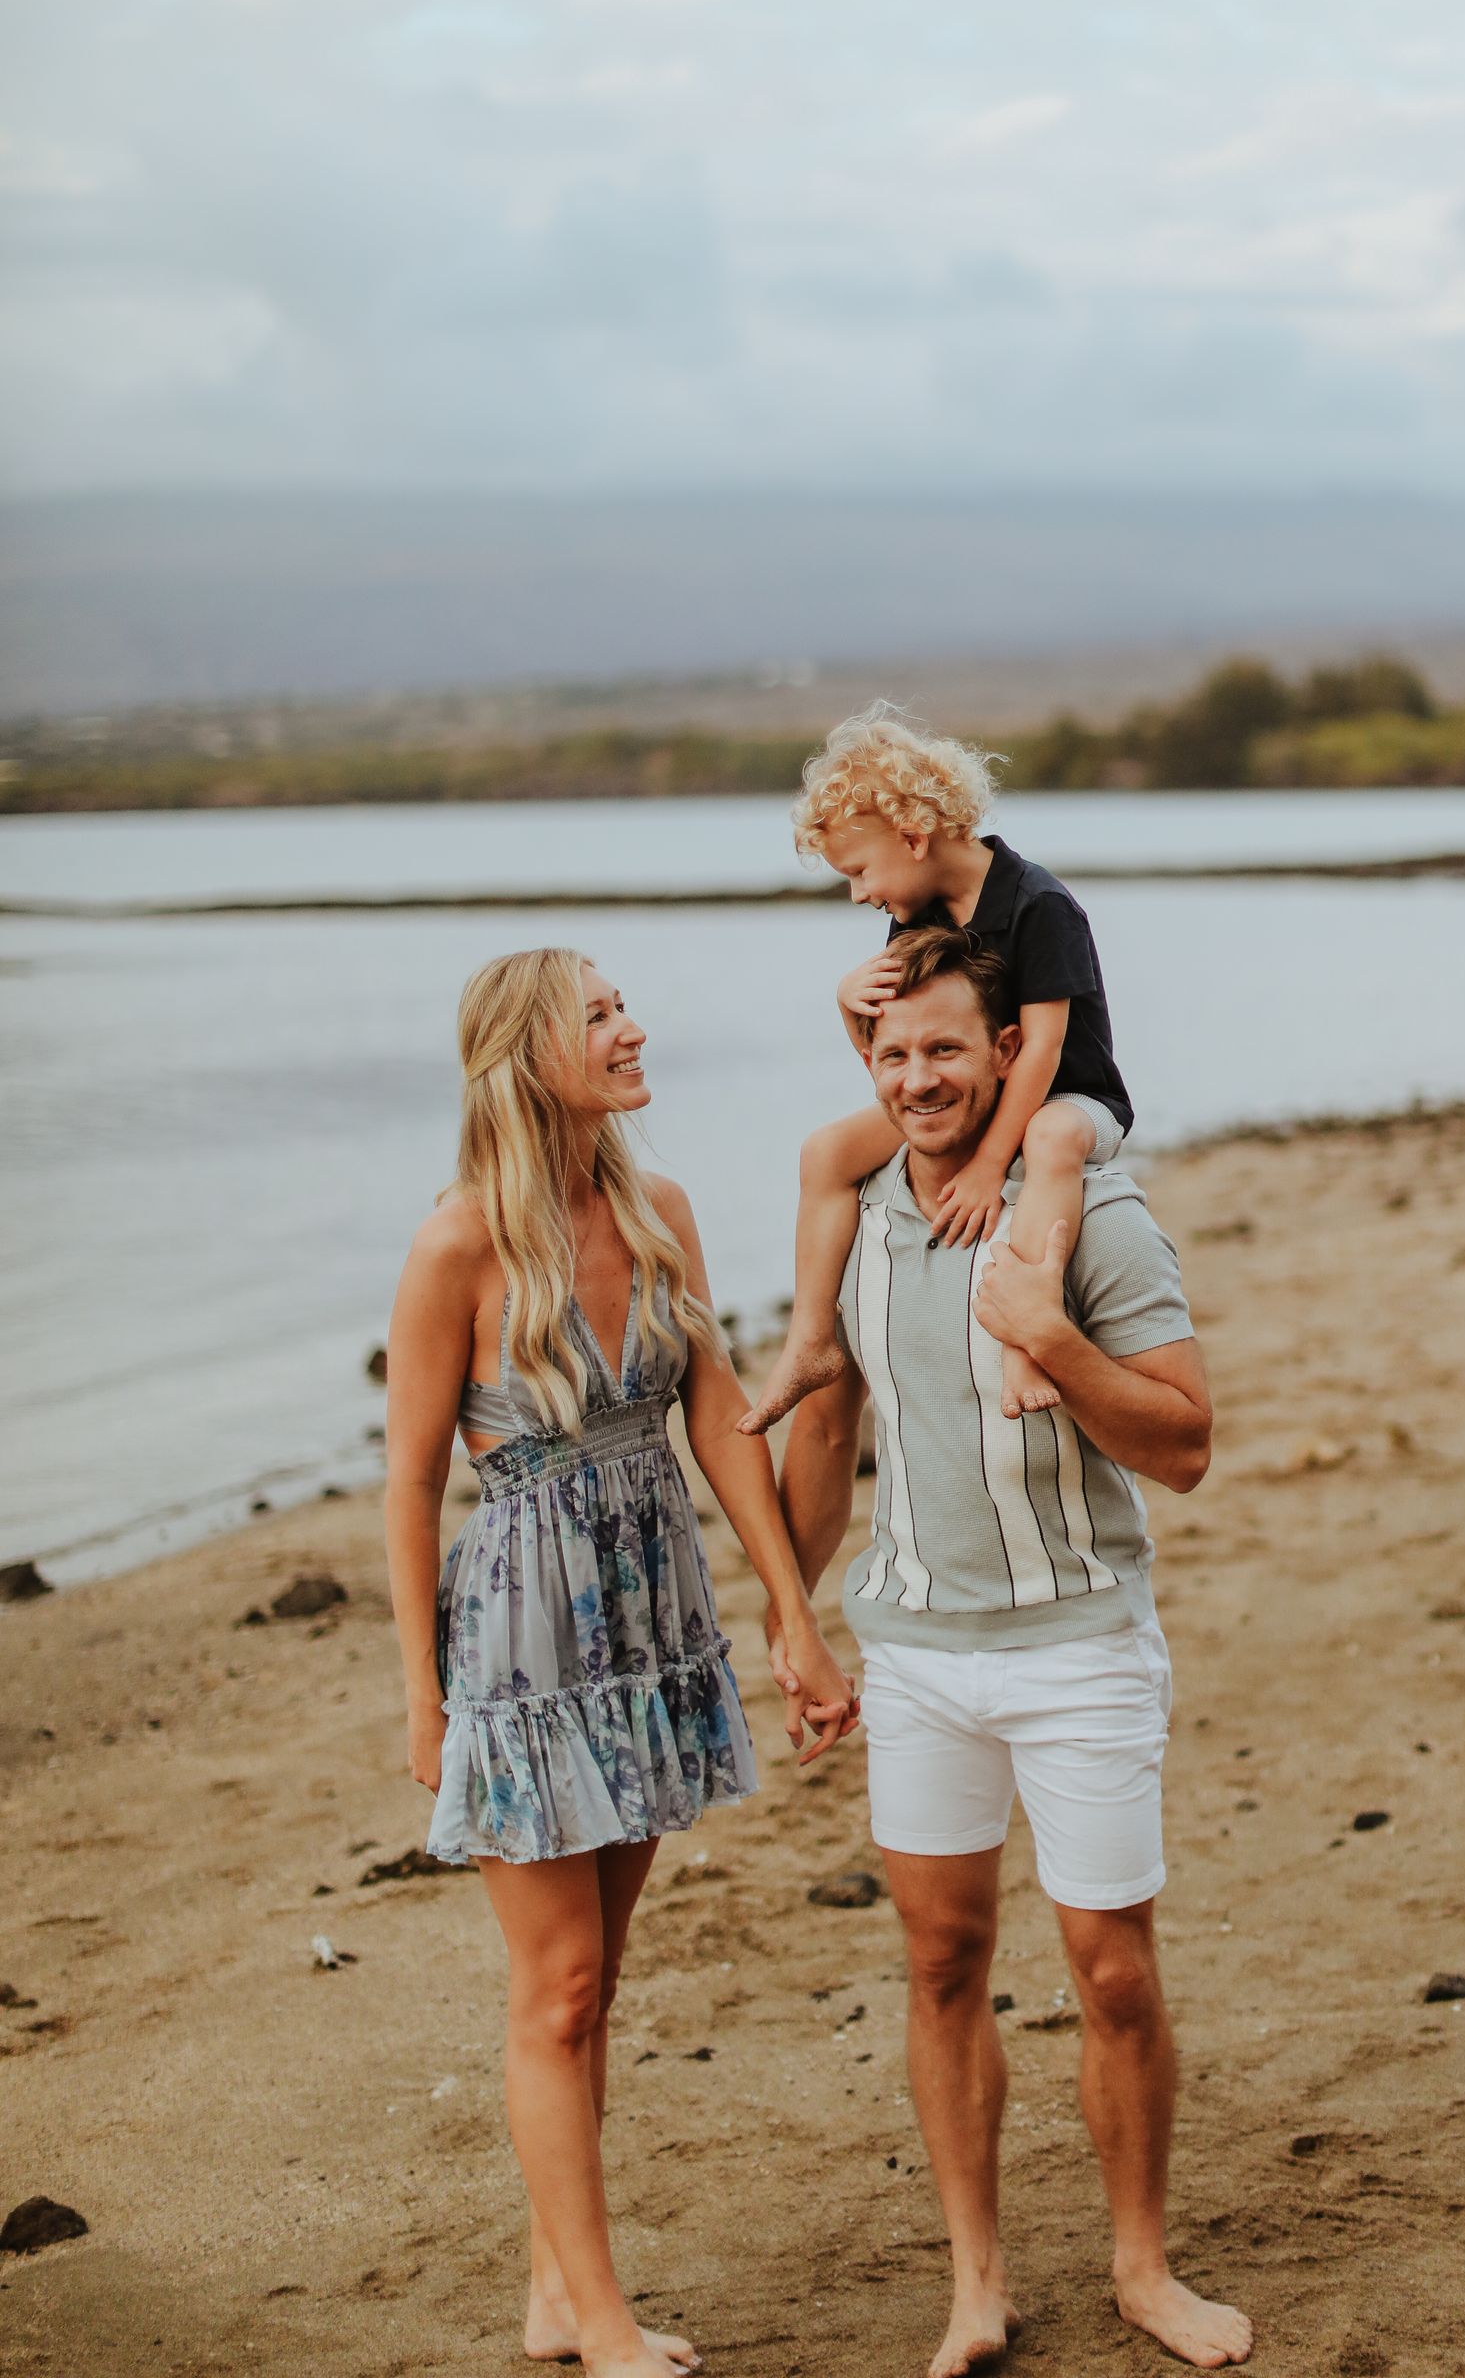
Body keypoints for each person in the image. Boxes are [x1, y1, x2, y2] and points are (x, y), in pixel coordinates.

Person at [755, 922, 1253, 2378]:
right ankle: (977, 2283)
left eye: (948, 1052)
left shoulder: (1094, 1218)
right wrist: (792, 1614)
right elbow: (832, 1423)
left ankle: (1144, 2268)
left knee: (1110, 1972)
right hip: (914, 1655)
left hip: (1080, 1644)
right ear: (871, 1061)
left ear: (1004, 1058)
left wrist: (1052, 1334)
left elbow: (1187, 1446)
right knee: (942, 1960)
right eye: (895, 1054)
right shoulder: (855, 1210)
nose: (921, 1080)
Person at [384, 947, 857, 2378]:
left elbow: (717, 1420)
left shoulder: (661, 1215)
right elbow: (408, 1484)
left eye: (621, 1005)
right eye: (599, 1014)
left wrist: (790, 1612)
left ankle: (551, 2289)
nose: (632, 1027)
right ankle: (597, 2326)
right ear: (529, 1058)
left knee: (599, 1978)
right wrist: (423, 1691)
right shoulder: (458, 1244)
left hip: (652, 1627)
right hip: (524, 1645)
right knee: (562, 1989)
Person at [744, 704, 1133, 1431]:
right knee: (826, 1152)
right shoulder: (915, 918)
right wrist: (842, 1001)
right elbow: (893, 1058)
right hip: (973, 1098)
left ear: (915, 836)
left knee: (1048, 1140)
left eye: (859, 871)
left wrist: (989, 1165)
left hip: (1071, 1099)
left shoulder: (1039, 905)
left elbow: (1045, 1049)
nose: (860, 893)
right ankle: (808, 1340)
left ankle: (1026, 1335)